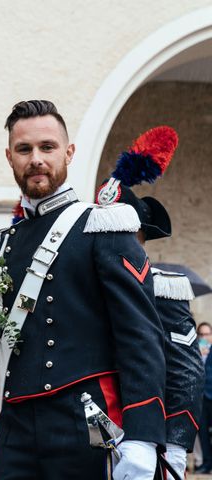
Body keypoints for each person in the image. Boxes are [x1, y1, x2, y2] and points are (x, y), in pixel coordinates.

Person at [0, 100, 166, 480]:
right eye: (24, 149)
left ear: (69, 152)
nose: (36, 159)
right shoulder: (1, 245)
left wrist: (144, 436)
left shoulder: (102, 227)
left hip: (85, 423)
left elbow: (141, 335)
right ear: (9, 157)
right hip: (15, 425)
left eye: (47, 147)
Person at [94, 127, 205, 479]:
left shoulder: (164, 288)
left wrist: (173, 445)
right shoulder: (82, 285)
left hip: (145, 437)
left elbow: (186, 372)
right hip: (87, 433)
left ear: (141, 237)